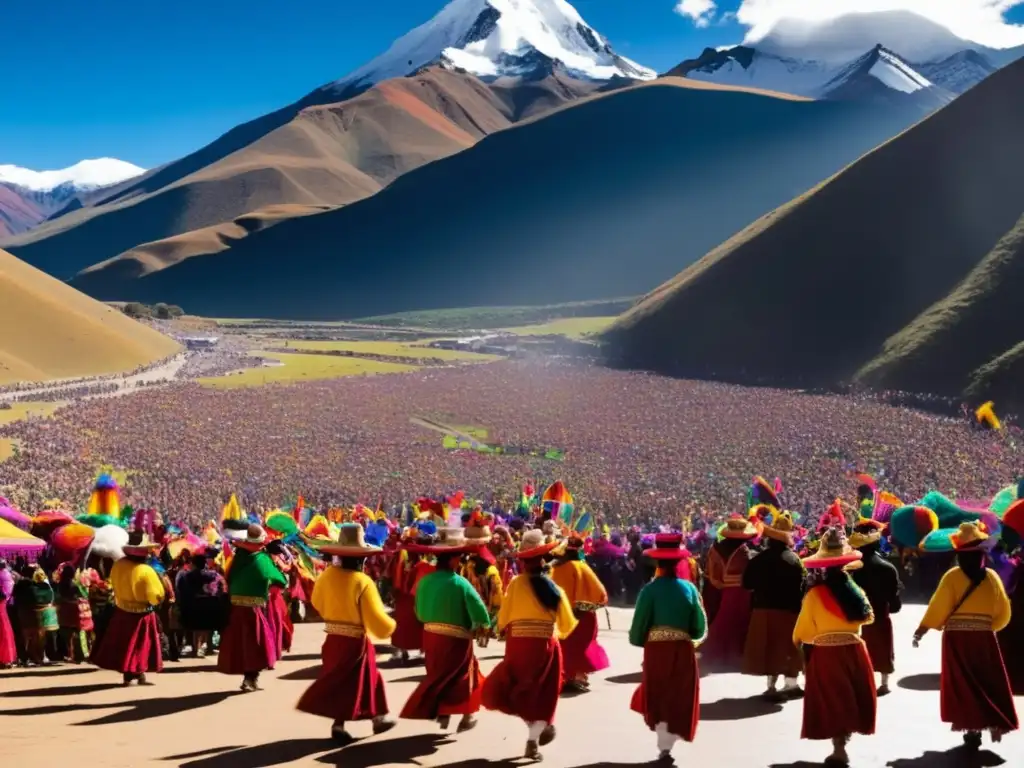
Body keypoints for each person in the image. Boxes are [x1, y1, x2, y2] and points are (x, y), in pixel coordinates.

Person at [914, 522, 1018, 748]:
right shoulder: (991, 578)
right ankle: (988, 719)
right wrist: (988, 627)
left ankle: (971, 728)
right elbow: (1003, 611)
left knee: (964, 683)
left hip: (957, 639)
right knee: (985, 680)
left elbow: (939, 606)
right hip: (984, 638)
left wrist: (923, 628)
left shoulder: (952, 577)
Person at [482, 529, 577, 762]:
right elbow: (566, 623)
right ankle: (533, 741)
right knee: (543, 694)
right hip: (544, 645)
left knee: (519, 690)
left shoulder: (515, 583)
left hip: (517, 645)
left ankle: (534, 728)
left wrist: (499, 629)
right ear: (544, 560)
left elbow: (503, 618)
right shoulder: (554, 590)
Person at [296, 523, 396, 744]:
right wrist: (391, 627)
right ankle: (357, 722)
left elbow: (316, 602)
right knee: (362, 680)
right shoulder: (363, 582)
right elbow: (376, 620)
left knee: (344, 680)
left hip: (332, 638)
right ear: (362, 559)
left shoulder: (326, 577)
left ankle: (369, 719)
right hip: (355, 641)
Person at [794, 527, 876, 768]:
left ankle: (838, 748)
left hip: (827, 653)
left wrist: (799, 642)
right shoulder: (855, 591)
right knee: (849, 697)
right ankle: (842, 745)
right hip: (854, 649)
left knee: (833, 699)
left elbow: (804, 630)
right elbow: (867, 618)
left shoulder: (815, 594)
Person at [401, 524, 492, 733]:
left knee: (438, 675)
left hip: (430, 637)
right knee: (463, 676)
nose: (460, 560)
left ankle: (443, 712)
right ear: (452, 559)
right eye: (458, 556)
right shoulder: (459, 583)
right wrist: (483, 626)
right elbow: (479, 611)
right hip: (456, 639)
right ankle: (467, 715)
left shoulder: (425, 581)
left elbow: (419, 611)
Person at [628, 532, 707, 761]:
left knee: (660, 694)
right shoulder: (690, 589)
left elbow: (637, 630)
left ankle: (663, 746)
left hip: (656, 650)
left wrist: (643, 639)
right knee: (678, 694)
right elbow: (700, 628)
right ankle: (668, 746)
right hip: (682, 649)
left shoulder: (649, 590)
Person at [742, 512, 805, 700]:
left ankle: (771, 685)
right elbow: (801, 588)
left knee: (768, 647)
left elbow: (747, 584)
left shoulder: (757, 560)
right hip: (788, 611)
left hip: (762, 610)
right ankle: (791, 684)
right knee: (788, 648)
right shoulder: (794, 561)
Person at [217, 524, 286, 692]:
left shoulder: (236, 560)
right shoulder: (262, 559)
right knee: (255, 645)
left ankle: (249, 677)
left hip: (236, 609)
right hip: (254, 610)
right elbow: (280, 581)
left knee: (243, 645)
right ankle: (250, 678)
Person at [90, 533, 165, 685]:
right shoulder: (146, 570)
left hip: (121, 610)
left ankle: (132, 675)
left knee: (125, 645)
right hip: (142, 613)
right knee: (140, 645)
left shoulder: (118, 564)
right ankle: (137, 673)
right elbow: (156, 595)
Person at [550, 534, 610, 692]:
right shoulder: (581, 566)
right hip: (581, 615)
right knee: (580, 646)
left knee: (564, 645)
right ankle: (576, 675)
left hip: (560, 614)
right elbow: (601, 593)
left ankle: (565, 675)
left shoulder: (555, 568)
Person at [850, 521, 901, 695]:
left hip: (855, 619)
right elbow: (895, 605)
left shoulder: (849, 569)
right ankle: (884, 683)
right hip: (879, 616)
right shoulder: (888, 568)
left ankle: (860, 681)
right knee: (882, 649)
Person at [700, 515, 756, 672]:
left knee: (725, 616)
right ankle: (738, 653)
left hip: (725, 588)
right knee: (742, 618)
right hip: (744, 590)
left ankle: (722, 653)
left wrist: (720, 584)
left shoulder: (716, 547)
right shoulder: (745, 549)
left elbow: (712, 573)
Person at [391, 527, 435, 664]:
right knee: (417, 624)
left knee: (406, 625)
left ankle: (405, 651)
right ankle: (421, 651)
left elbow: (397, 578)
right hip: (412, 597)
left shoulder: (409, 558)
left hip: (405, 596)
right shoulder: (423, 565)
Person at [177, 550, 227, 658]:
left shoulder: (186, 576)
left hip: (194, 604)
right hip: (212, 603)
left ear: (193, 564)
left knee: (197, 627)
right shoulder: (214, 574)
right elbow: (223, 587)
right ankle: (209, 647)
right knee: (210, 626)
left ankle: (196, 649)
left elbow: (182, 590)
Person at [14, 566, 59, 665]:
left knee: (25, 635)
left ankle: (24, 658)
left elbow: (15, 597)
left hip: (21, 611)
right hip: (33, 612)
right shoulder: (34, 586)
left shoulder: (18, 585)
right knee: (35, 636)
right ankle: (36, 657)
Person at [55, 563, 94, 663]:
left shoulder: (60, 584)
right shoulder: (75, 585)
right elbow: (82, 595)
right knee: (77, 631)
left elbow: (58, 597)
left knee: (67, 634)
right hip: (74, 608)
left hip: (64, 609)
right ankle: (78, 655)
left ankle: (70, 654)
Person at [265, 540, 295, 658]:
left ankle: (276, 651)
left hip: (276, 595)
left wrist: (293, 564)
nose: (277, 556)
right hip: (268, 595)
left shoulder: (276, 559)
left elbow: (286, 568)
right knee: (273, 622)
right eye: (276, 553)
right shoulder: (266, 560)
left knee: (279, 621)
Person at [0, 559, 16, 668]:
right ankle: (7, 658)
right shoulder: (8, 575)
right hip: (4, 605)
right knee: (5, 630)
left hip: (1, 604)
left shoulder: (3, 575)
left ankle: (5, 658)